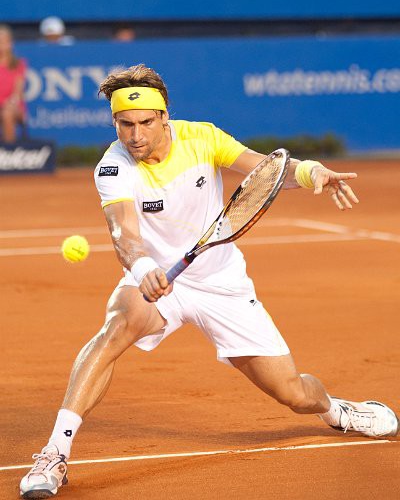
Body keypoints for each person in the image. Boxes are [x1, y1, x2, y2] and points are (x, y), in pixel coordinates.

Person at [20, 64, 398, 498]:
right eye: (125, 124)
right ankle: (54, 454)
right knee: (115, 328)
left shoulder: (203, 137)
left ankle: (337, 412)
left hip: (222, 283)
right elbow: (124, 235)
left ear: (165, 117)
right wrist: (143, 269)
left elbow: (265, 172)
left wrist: (313, 173)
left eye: (146, 122)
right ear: (115, 123)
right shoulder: (113, 167)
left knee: (293, 393)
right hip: (155, 282)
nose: (136, 135)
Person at [0, 24, 28, 143]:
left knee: (7, 113)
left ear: (10, 43)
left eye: (3, 41)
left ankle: (9, 152)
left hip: (14, 108)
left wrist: (10, 103)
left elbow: (18, 92)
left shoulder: (19, 64)